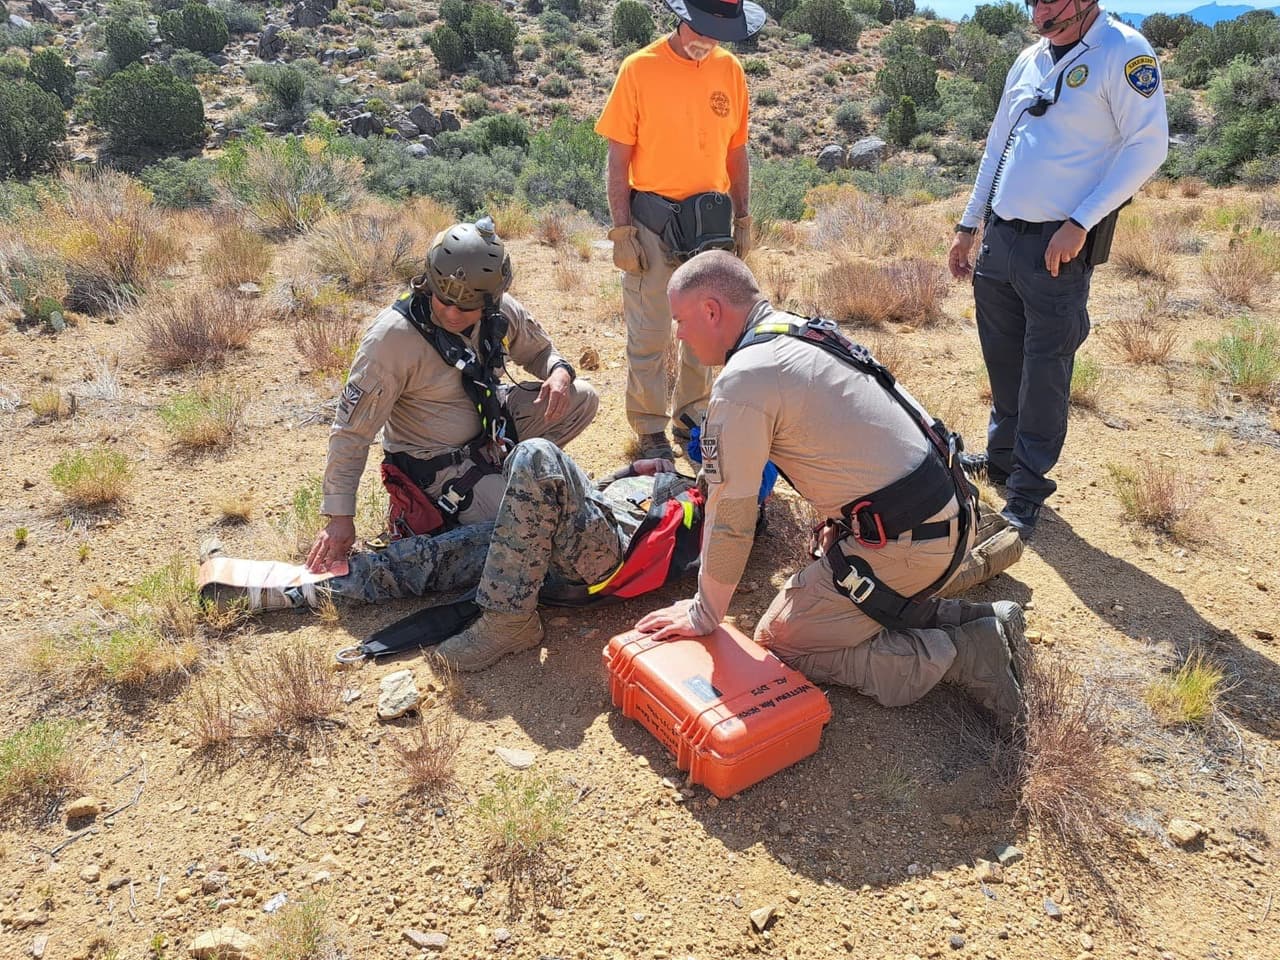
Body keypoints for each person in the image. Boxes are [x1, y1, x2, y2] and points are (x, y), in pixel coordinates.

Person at [636, 252, 1027, 728]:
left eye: (681, 320)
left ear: (712, 311)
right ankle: (973, 619)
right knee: (837, 593)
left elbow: (732, 517)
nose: (678, 334)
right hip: (947, 514)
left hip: (912, 541)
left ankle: (962, 654)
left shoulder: (744, 381)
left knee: (783, 638)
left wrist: (704, 613)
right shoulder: (794, 332)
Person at [947, 0, 1168, 538]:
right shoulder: (1028, 59)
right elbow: (998, 142)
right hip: (1001, 234)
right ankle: (1001, 458)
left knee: (1045, 369)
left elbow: (1149, 145)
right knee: (1002, 357)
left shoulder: (1124, 51)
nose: (1040, 7)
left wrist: (1082, 221)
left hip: (1058, 244)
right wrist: (969, 222)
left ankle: (1026, 486)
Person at [200, 442, 696, 672]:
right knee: (429, 558)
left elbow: (705, 536)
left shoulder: (709, 496)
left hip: (604, 559)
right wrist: (629, 470)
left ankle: (509, 621)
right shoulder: (657, 476)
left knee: (537, 454)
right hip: (554, 540)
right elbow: (585, 497)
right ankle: (293, 590)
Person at [306, 219, 599, 573]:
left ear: (491, 299)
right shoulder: (391, 340)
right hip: (441, 467)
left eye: (467, 308)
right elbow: (351, 433)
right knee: (535, 523)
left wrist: (559, 372)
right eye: (443, 299)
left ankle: (515, 474)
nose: (451, 313)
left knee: (582, 398)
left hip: (494, 432)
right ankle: (481, 501)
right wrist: (340, 518)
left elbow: (541, 353)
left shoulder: (501, 311)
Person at [594, 0, 764, 461]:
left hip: (710, 226)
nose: (706, 42)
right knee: (649, 333)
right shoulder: (639, 69)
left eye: (716, 34)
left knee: (707, 330)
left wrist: (743, 219)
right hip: (651, 222)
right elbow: (618, 159)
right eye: (701, 30)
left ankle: (692, 417)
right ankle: (649, 430)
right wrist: (622, 232)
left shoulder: (730, 72)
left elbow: (737, 153)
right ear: (681, 18)